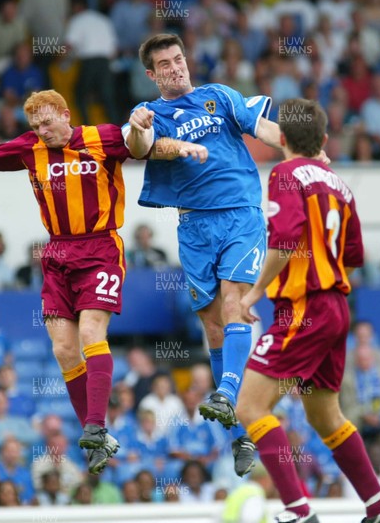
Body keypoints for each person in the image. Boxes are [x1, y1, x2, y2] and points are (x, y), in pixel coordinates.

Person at [0, 88, 205, 475]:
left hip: (100, 249)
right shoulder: (30, 148)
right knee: (63, 349)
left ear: (65, 114)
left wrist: (181, 146)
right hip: (58, 254)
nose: (41, 131)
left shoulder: (102, 137)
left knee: (91, 334)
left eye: (46, 122)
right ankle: (94, 430)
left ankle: (95, 427)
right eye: (35, 125)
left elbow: (144, 146)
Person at [124, 33, 327, 477]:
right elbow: (139, 148)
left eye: (180, 58)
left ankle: (227, 392)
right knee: (214, 330)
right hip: (194, 227)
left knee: (237, 303)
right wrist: (141, 127)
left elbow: (266, 129)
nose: (176, 67)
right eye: (166, 64)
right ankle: (240, 437)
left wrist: (300, 150)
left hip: (241, 217)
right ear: (151, 74)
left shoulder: (220, 96)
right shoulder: (149, 115)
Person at [236, 98, 380, 523]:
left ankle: (297, 511)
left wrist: (255, 292)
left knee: (251, 408)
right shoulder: (338, 182)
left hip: (303, 307)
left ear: (283, 139)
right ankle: (379, 505)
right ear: (325, 140)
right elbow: (354, 253)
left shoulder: (285, 173)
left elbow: (286, 239)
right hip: (335, 307)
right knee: (324, 414)